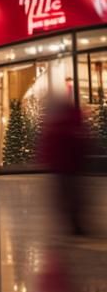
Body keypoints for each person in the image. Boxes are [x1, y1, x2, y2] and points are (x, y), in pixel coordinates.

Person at [38, 94, 89, 236]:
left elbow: (48, 145)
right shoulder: (70, 120)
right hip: (70, 166)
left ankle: (72, 222)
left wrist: (46, 160)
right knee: (72, 195)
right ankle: (74, 223)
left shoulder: (57, 124)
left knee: (66, 195)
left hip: (63, 167)